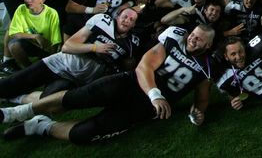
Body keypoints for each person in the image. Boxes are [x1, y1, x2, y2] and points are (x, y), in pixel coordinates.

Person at [0, 25, 216, 143]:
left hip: (141, 109)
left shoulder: (206, 66)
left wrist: (199, 113)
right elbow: (144, 67)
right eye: (193, 35)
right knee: (76, 98)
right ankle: (16, 112)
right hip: (130, 84)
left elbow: (202, 99)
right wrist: (155, 94)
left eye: (198, 40)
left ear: (208, 45)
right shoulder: (174, 37)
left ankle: (39, 126)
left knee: (84, 134)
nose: (192, 40)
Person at [0, 8, 139, 102]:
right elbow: (67, 46)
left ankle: (14, 99)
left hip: (76, 80)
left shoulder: (131, 44)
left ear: (134, 25)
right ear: (117, 17)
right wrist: (95, 47)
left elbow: (125, 67)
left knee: (46, 101)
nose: (127, 20)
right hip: (59, 63)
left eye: (131, 19)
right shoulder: (102, 22)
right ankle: (9, 93)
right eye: (125, 16)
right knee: (11, 83)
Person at [3, 0, 61, 71]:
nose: (28, 0)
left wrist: (51, 61)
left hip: (46, 48)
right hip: (30, 45)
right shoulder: (21, 9)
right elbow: (13, 33)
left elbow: (55, 41)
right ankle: (29, 70)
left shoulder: (52, 13)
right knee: (14, 45)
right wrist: (35, 36)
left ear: (42, 0)